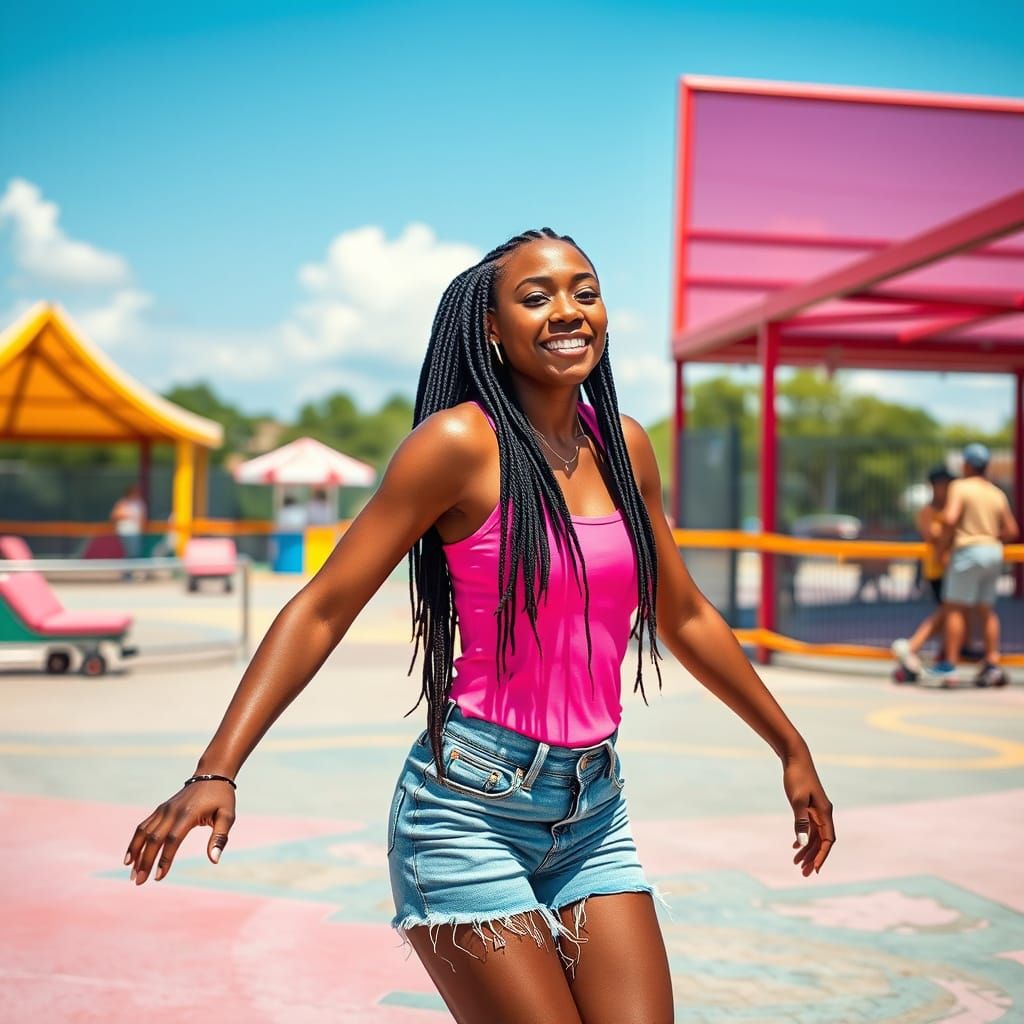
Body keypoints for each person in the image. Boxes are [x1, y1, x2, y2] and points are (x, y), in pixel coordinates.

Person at [124, 229, 835, 1022]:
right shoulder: (459, 444)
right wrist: (216, 769)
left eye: (584, 292)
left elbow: (687, 613)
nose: (568, 312)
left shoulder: (626, 446)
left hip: (594, 809)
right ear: (492, 328)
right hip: (467, 810)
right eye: (537, 297)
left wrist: (790, 746)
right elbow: (324, 606)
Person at [928, 443, 1019, 687]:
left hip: (968, 551)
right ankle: (991, 663)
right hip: (993, 552)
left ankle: (950, 665)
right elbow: (1012, 530)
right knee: (986, 610)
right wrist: (989, 539)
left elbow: (949, 518)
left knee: (954, 608)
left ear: (967, 465)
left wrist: (941, 549)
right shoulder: (996, 492)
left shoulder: (961, 486)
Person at [891, 466, 953, 680]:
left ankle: (941, 652)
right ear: (934, 486)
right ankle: (912, 646)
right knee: (947, 610)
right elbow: (933, 536)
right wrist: (951, 527)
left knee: (950, 613)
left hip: (953, 567)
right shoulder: (929, 511)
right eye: (942, 483)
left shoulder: (950, 508)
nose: (946, 488)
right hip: (937, 569)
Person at [110, 484, 146, 577]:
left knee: (134, 553)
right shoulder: (123, 503)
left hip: (136, 531)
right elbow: (114, 515)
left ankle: (129, 572)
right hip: (126, 531)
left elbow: (142, 517)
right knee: (131, 553)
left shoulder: (139, 503)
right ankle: (127, 573)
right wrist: (128, 516)